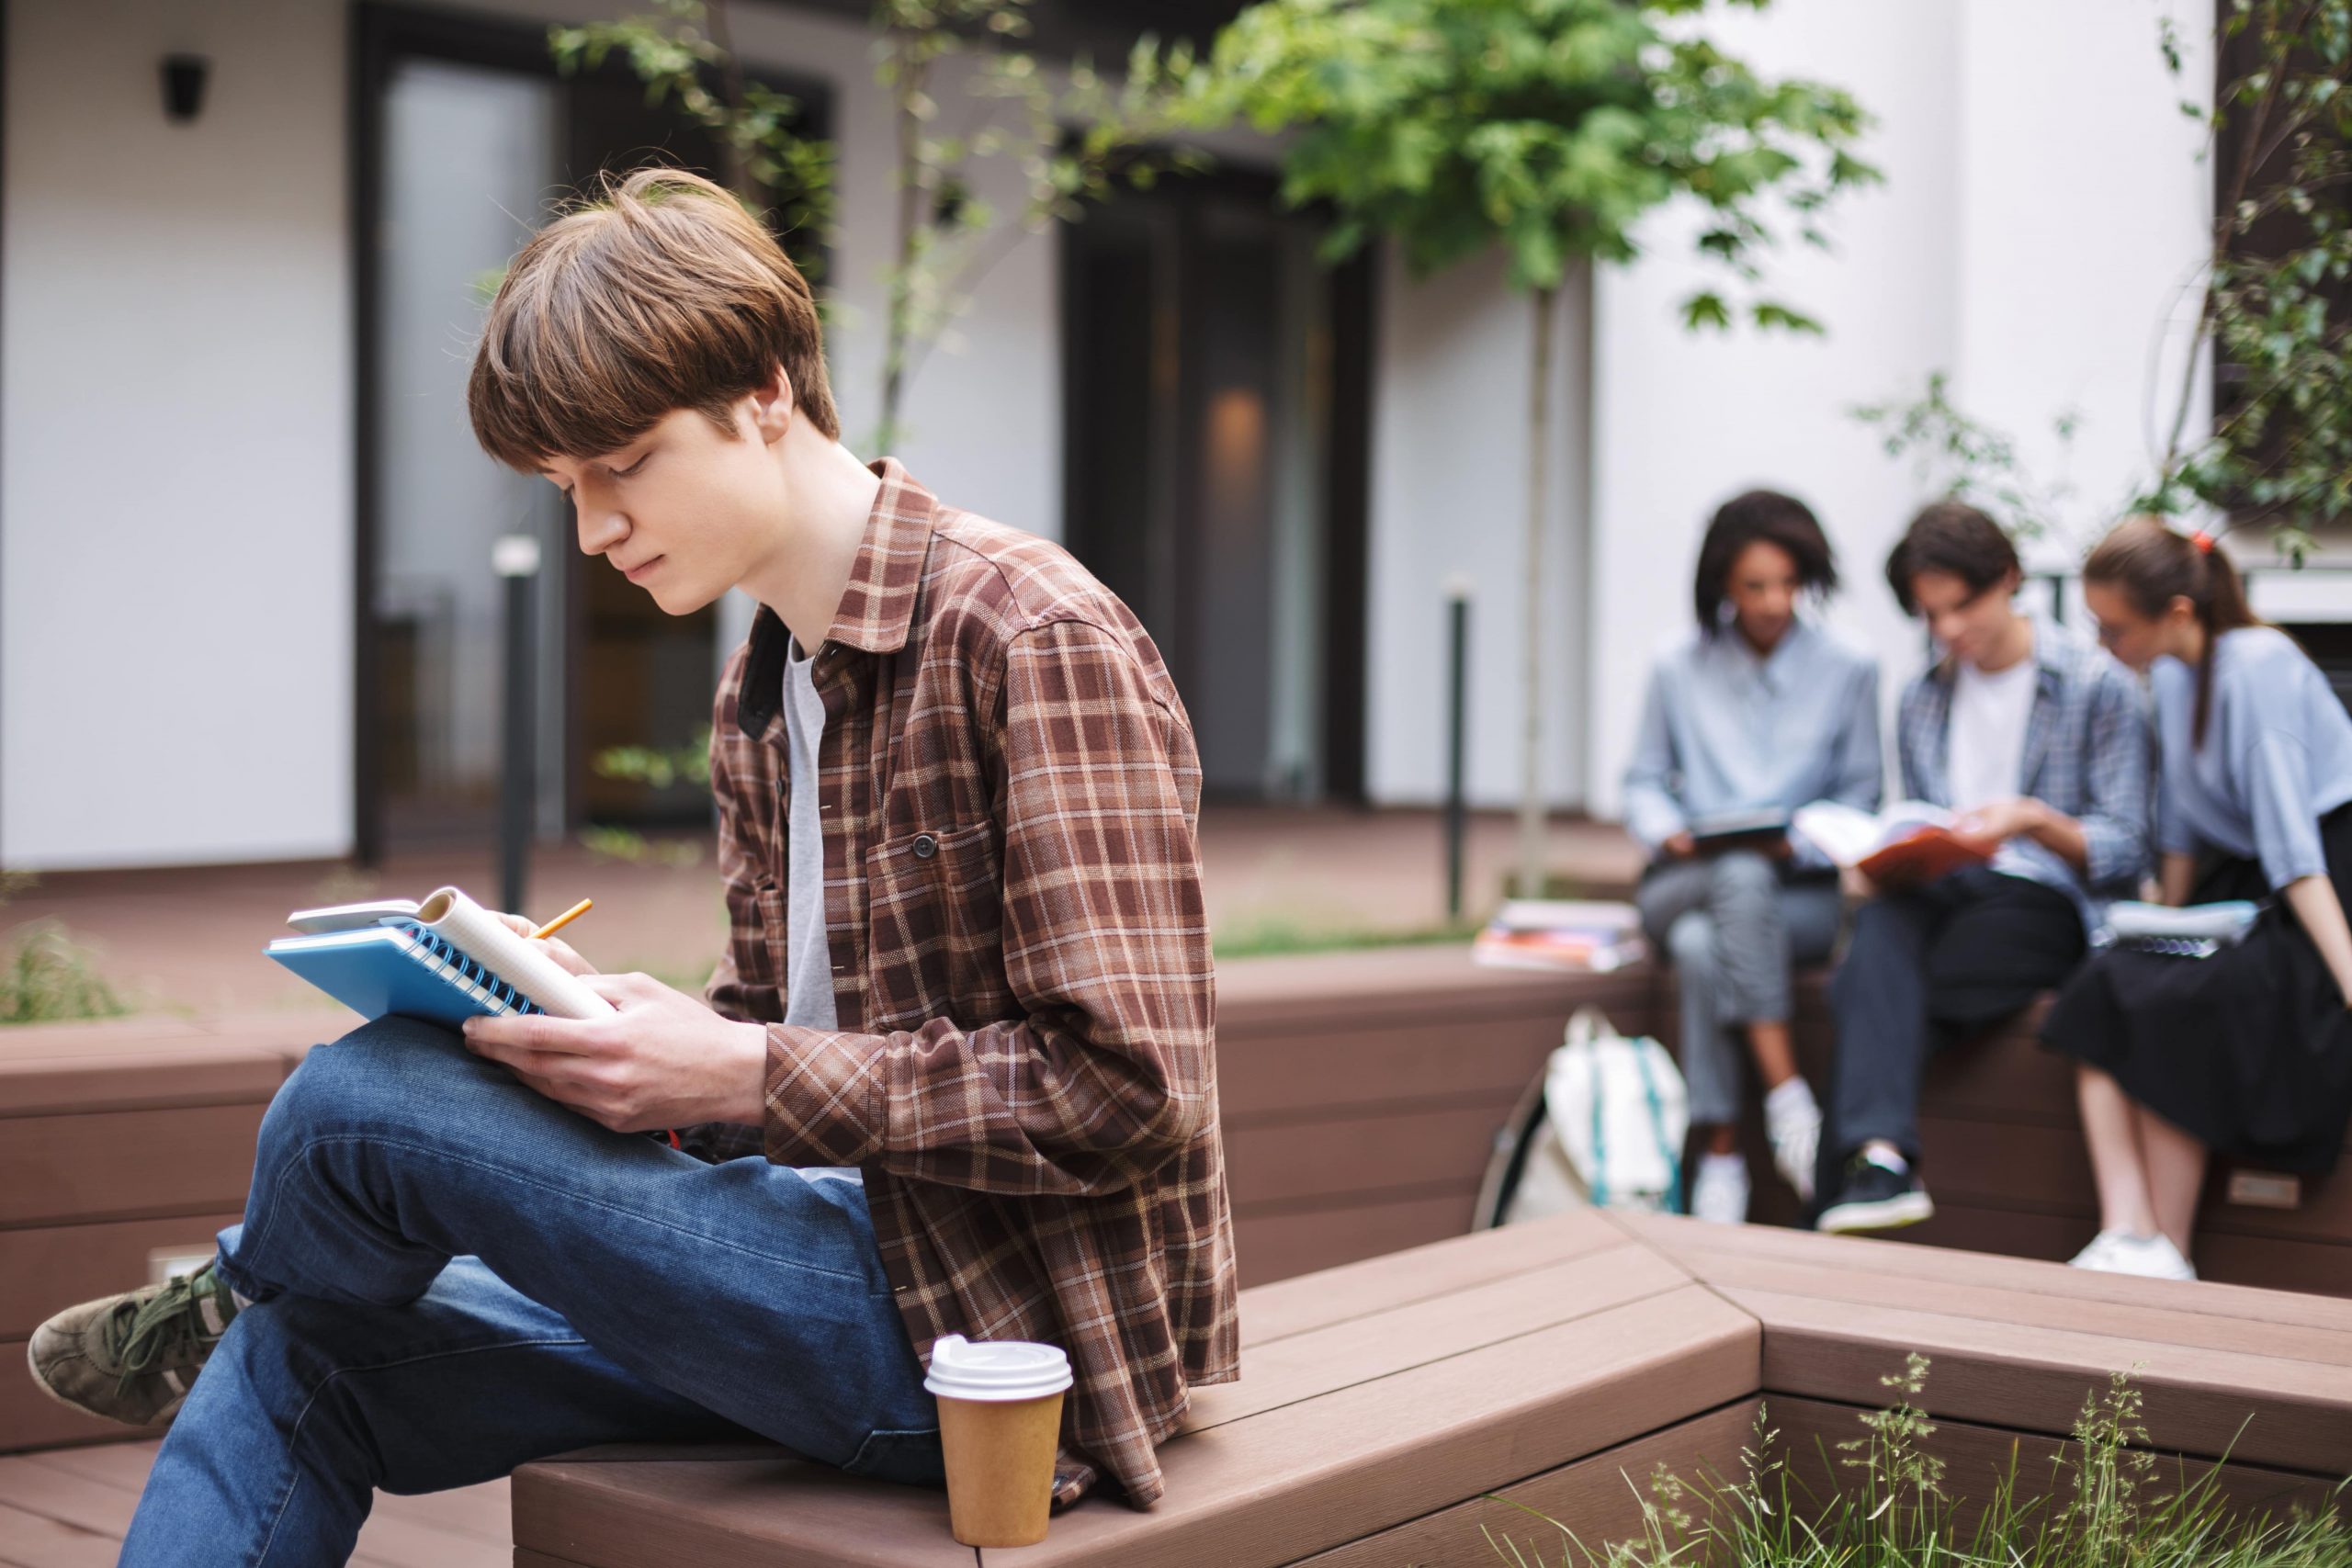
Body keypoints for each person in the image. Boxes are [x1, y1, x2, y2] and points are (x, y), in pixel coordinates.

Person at [27, 168, 1237, 1563]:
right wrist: (615, 1032)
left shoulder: (1030, 634)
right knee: (304, 1351)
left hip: (992, 1345)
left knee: (361, 1095)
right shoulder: (761, 687)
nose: (593, 525)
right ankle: (254, 1305)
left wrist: (748, 1072)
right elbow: (783, 1066)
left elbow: (1137, 1088)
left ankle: (235, 1284)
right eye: (565, 485)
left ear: (766, 392)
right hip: (812, 1260)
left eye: (623, 462)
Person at [1815, 502, 2152, 1235]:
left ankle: (1856, 1164)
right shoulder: (1922, 697)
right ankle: (1877, 1159)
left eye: (1961, 606)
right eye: (1929, 615)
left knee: (1864, 985)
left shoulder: (2096, 684)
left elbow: (2127, 845)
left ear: (2008, 579)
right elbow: (1922, 823)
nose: (1947, 630)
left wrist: (2031, 819)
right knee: (1881, 921)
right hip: (1942, 893)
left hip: (2044, 899)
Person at [2042, 517, 2352, 1280]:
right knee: (2108, 979)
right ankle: (2129, 1230)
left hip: (2320, 886)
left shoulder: (2261, 666)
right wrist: (2164, 926)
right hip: (2243, 885)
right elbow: (2180, 826)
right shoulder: (2173, 675)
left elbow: (2294, 850)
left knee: (2183, 998)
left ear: (2176, 613)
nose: (2104, 645)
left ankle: (2169, 1247)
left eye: (2115, 628)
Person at [1624, 490, 1882, 1225]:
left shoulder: (1850, 666)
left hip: (1798, 893)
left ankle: (1724, 1152)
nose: (1775, 601)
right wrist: (1669, 830)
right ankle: (1788, 1098)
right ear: (1722, 588)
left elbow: (1863, 797)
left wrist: (1795, 840)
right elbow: (1641, 781)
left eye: (1789, 583)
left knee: (1708, 946)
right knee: (1733, 875)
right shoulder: (1676, 665)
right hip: (1684, 875)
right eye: (1755, 586)